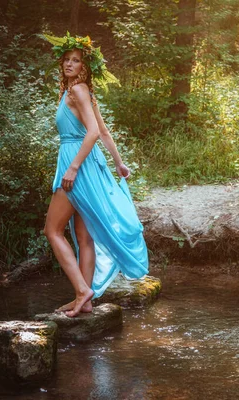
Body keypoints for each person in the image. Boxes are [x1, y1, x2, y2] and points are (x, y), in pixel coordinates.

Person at [41, 33, 149, 317]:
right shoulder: (80, 92)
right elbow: (103, 131)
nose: (69, 64)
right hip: (88, 164)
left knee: (52, 230)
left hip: (78, 165)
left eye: (75, 60)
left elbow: (92, 133)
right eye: (66, 59)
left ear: (84, 67)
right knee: (82, 236)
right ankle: (86, 301)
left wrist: (73, 167)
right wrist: (119, 164)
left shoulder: (77, 91)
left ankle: (82, 290)